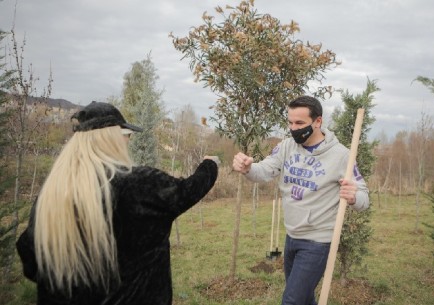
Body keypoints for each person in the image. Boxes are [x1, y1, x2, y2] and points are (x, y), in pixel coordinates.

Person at [16, 101, 219, 305]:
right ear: (112, 139)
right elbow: (188, 190)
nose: (128, 141)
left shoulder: (52, 195)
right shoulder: (138, 185)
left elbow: (31, 261)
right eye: (127, 135)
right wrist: (210, 164)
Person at [232, 96, 369, 305]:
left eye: (300, 123)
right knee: (304, 299)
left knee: (292, 301)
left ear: (318, 122)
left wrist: (353, 197)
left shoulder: (341, 156)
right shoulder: (286, 147)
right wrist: (248, 168)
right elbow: (264, 171)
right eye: (290, 122)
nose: (293, 128)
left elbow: (363, 198)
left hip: (317, 242)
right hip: (292, 236)